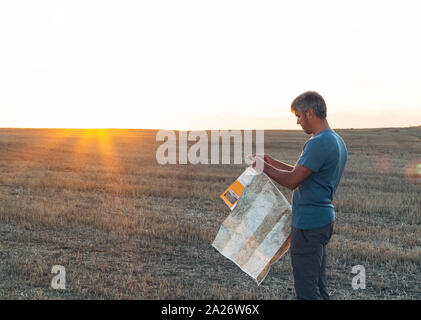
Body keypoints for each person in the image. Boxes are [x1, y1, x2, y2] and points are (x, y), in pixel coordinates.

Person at [253, 91, 347, 300]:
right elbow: (302, 172)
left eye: (298, 116)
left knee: (306, 290)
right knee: (319, 286)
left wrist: (263, 168)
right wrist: (270, 162)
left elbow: (292, 180)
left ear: (310, 113)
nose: (297, 122)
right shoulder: (336, 140)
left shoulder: (318, 143)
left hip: (308, 224)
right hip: (323, 221)